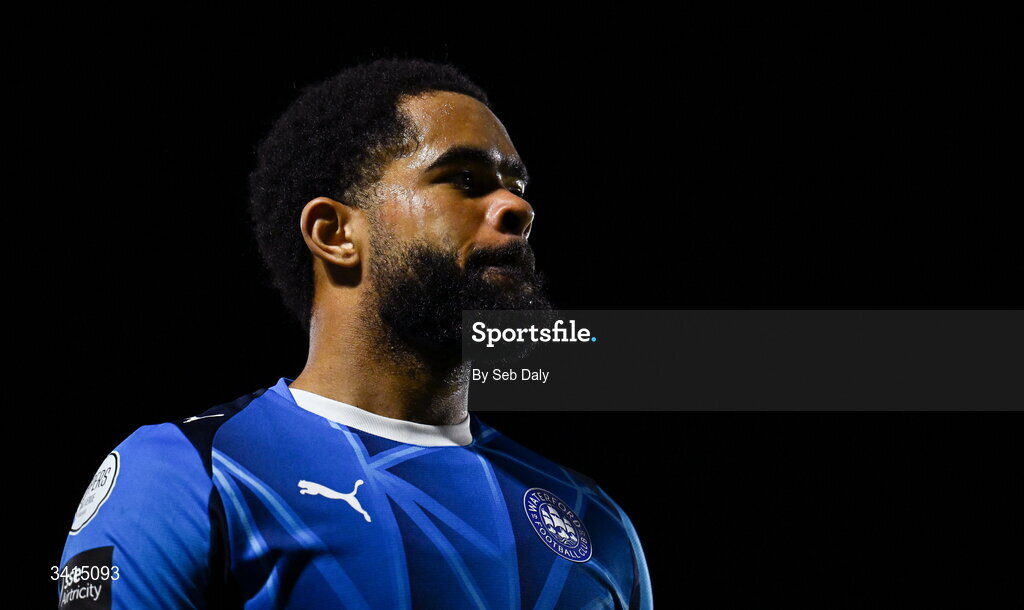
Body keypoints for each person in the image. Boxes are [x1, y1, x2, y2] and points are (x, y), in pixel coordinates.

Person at [57, 58, 652, 609]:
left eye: (517, 189)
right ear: (335, 233)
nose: (517, 210)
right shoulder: (191, 473)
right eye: (466, 180)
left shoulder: (594, 518)